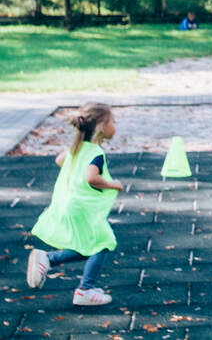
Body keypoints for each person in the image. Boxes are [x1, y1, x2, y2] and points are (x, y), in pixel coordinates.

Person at [26, 102, 124, 307]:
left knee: (88, 245)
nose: (115, 125)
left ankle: (49, 260)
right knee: (102, 243)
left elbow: (60, 160)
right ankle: (85, 289)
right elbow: (91, 178)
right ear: (101, 127)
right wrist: (113, 185)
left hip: (71, 205)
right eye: (113, 121)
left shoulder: (77, 148)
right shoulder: (96, 153)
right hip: (81, 209)